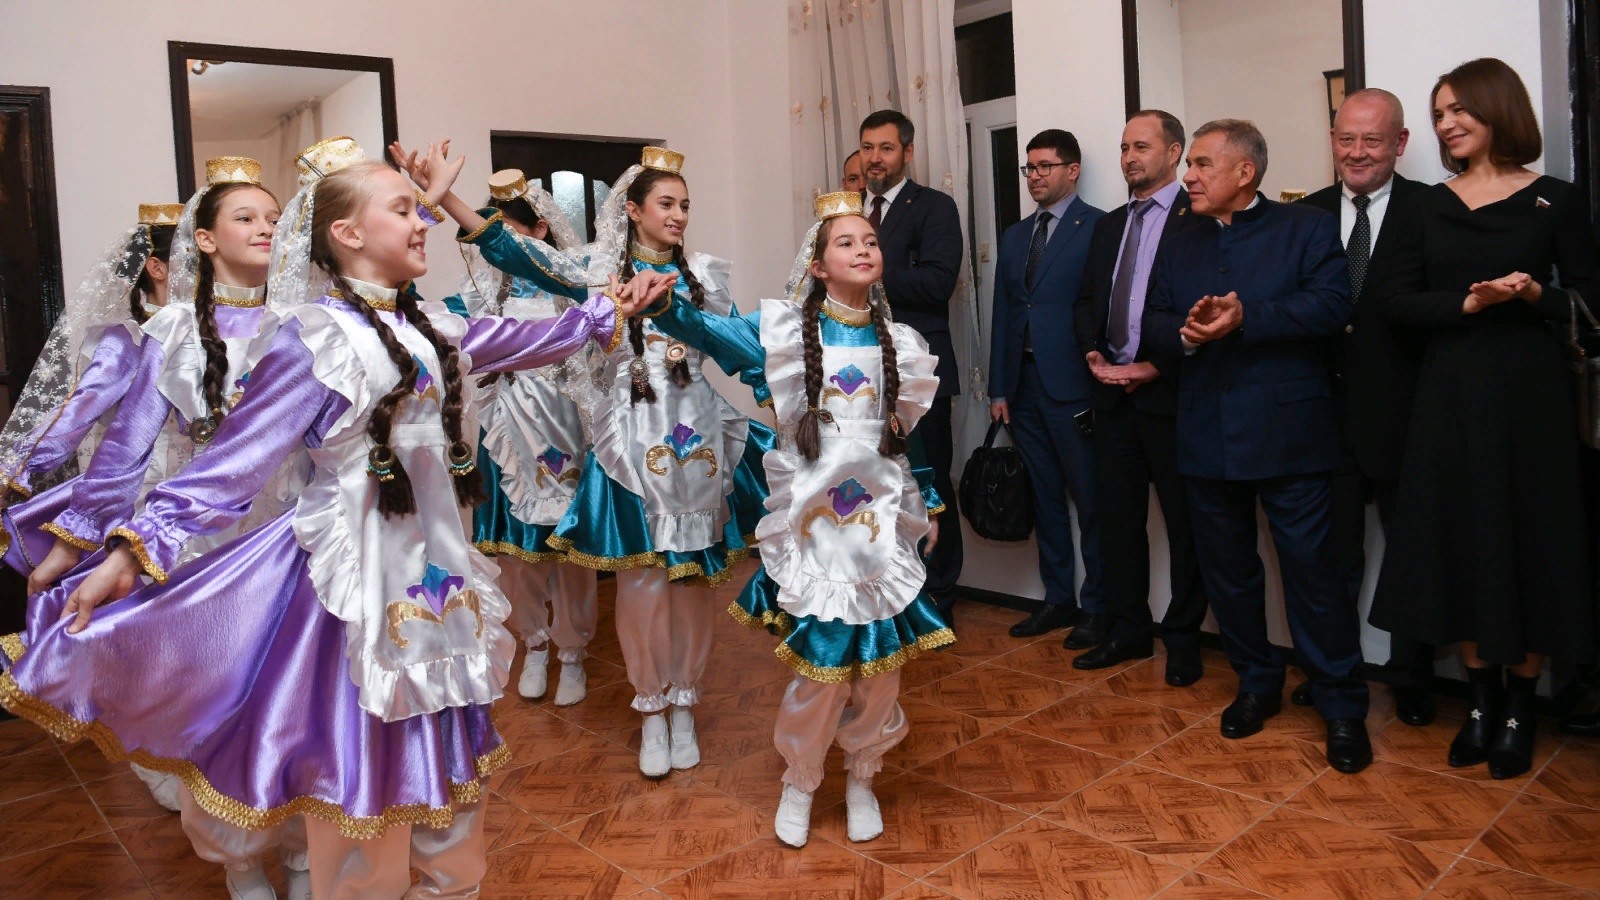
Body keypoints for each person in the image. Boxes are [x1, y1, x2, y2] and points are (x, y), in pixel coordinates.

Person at [0, 136, 663, 899]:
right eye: (404, 210)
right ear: (346, 234)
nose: (423, 222)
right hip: (349, 593)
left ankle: (451, 887)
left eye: (421, 211)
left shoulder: (434, 329)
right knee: (360, 792)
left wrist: (609, 309)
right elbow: (231, 463)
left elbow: (539, 335)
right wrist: (128, 553)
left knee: (453, 783)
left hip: (439, 580)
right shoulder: (313, 338)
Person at [418, 145, 762, 779]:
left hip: (701, 450)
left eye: (686, 205)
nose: (679, 215)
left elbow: (742, 345)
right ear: (632, 209)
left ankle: (685, 701)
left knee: (692, 585)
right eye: (666, 203)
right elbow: (522, 255)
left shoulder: (704, 276)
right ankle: (651, 707)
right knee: (642, 584)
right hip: (628, 446)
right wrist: (448, 200)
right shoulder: (596, 271)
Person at [643, 191, 952, 849]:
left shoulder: (901, 343)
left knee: (882, 671)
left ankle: (863, 775)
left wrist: (928, 503)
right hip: (817, 532)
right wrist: (662, 305)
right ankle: (801, 779)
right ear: (817, 265)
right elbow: (711, 333)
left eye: (870, 240)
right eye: (846, 242)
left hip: (881, 529)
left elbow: (909, 437)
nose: (863, 250)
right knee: (821, 667)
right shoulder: (784, 333)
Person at [1369, 58, 1596, 780]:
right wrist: (1466, 303)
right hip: (1449, 398)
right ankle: (1480, 703)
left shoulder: (1555, 199)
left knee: (1530, 546)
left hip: (1533, 403)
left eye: (1459, 109)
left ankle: (1522, 708)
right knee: (1460, 545)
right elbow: (1393, 302)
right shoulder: (1425, 206)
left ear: (1498, 108)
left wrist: (1532, 295)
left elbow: (1590, 303)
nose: (1447, 124)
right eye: (1439, 114)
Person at [1144, 119, 1372, 774]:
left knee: (1313, 575)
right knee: (1229, 574)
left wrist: (1247, 318)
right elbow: (1151, 321)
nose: (1188, 176)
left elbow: (1331, 307)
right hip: (1205, 432)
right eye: (1190, 164)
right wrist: (1185, 335)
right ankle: (1256, 683)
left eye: (1202, 164)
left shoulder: (1305, 227)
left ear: (1245, 173)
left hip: (1291, 435)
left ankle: (1341, 704)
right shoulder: (1178, 237)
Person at [1294, 89, 1434, 726]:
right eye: (1346, 139)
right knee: (1331, 560)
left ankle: (1412, 677)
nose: (1356, 152)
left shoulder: (1432, 210)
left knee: (1415, 554)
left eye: (1372, 140)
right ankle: (1332, 670)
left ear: (1399, 143)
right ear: (1332, 140)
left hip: (1410, 418)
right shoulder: (1305, 215)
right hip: (1323, 420)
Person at [442, 169, 599, 707]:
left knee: (567, 549)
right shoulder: (480, 289)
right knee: (517, 553)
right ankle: (534, 642)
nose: (499, 247)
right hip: (506, 431)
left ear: (539, 229)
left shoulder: (571, 282)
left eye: (508, 234)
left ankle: (573, 650)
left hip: (562, 426)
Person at [1069, 110, 1210, 684]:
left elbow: (1209, 307)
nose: (1130, 157)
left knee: (1186, 526)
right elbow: (1087, 300)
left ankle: (1184, 640)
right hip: (1113, 399)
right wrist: (1092, 351)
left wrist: (1158, 366)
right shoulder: (1110, 225)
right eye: (1125, 147)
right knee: (1118, 523)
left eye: (1142, 147)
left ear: (1174, 153)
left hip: (1173, 397)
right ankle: (1129, 630)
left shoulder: (1198, 217)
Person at [0, 202, 180, 575]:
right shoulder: (130, 340)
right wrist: (15, 468)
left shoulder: (210, 331)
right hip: (146, 487)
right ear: (157, 268)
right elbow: (78, 411)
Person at [986, 129, 1107, 644]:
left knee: (1092, 501)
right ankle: (1058, 599)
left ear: (1072, 170)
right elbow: (1004, 312)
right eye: (1029, 168)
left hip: (1076, 386)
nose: (1034, 176)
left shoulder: (1098, 227)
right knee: (1045, 498)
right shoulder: (1016, 235)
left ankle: (1098, 608)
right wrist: (998, 388)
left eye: (1045, 167)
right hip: (1023, 387)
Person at [859, 110, 965, 615]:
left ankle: (939, 593)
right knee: (872, 482)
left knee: (931, 481)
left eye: (885, 148)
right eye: (867, 148)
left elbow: (939, 282)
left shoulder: (934, 207)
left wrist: (868, 272)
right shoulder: (848, 212)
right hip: (857, 372)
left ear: (907, 152)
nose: (874, 158)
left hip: (918, 371)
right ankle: (884, 588)